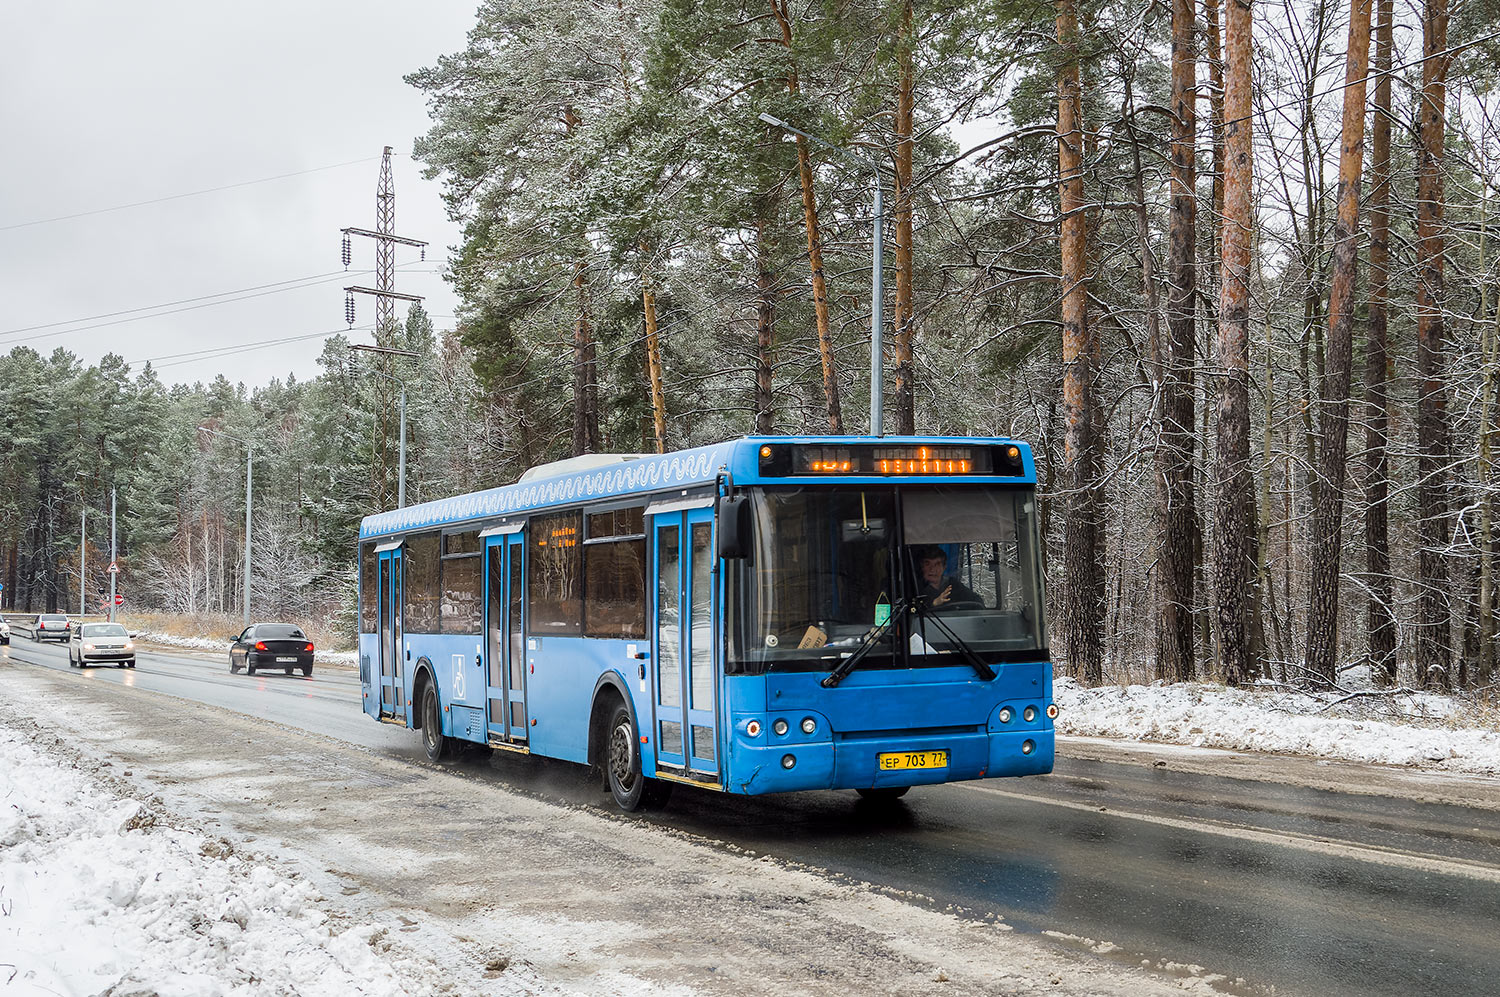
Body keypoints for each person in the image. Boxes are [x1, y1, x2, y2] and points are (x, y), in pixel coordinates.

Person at [914, 547, 981, 609]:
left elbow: (976, 601)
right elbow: (914, 612)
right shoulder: (916, 588)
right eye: (927, 564)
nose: (932, 569)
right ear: (921, 567)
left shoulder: (953, 584)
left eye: (937, 564)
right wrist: (934, 603)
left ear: (944, 567)